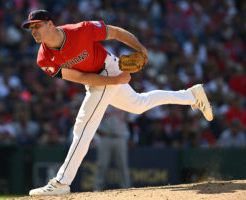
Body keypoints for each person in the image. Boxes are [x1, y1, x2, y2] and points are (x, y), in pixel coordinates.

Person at [22, 10, 213, 196]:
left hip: (107, 68)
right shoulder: (43, 58)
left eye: (37, 26)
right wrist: (115, 81)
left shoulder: (80, 30)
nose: (34, 31)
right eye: (31, 28)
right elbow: (79, 76)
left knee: (83, 126)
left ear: (50, 24)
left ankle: (62, 182)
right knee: (138, 104)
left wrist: (141, 49)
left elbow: (115, 32)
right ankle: (191, 95)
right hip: (98, 79)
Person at [94, 106, 131, 191]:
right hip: (105, 137)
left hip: (120, 137)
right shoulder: (104, 102)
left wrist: (131, 137)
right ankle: (98, 188)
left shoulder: (124, 102)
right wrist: (97, 130)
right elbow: (94, 119)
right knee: (102, 164)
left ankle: (126, 188)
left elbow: (130, 121)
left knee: (122, 164)